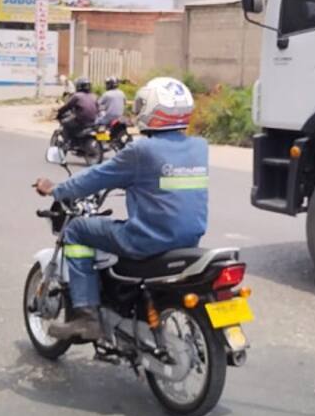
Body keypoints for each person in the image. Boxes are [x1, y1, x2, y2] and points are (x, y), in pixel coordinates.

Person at [34, 76, 208, 341]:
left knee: (78, 230)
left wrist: (56, 189)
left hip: (148, 240)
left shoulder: (142, 150)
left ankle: (86, 317)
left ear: (152, 109)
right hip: (190, 238)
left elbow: (94, 177)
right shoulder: (199, 147)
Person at [57, 77, 97, 144]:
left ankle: (66, 143)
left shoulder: (77, 96)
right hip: (93, 120)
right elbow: (98, 108)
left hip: (81, 120)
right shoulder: (94, 96)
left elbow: (67, 106)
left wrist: (60, 112)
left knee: (65, 123)